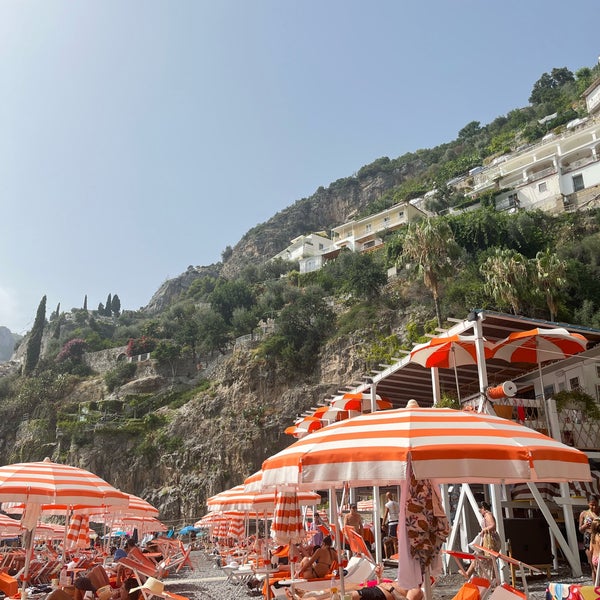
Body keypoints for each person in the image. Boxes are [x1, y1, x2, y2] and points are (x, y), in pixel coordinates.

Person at [285, 564, 423, 600]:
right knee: (338, 595)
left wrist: (389, 587)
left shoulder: (416, 589)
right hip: (376, 592)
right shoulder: (404, 581)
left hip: (378, 594)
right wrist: (380, 578)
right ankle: (307, 595)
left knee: (341, 597)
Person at [465, 501, 501, 579]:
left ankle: (494, 581)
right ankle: (468, 573)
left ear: (483, 508)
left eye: (480, 510)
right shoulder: (487, 515)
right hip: (487, 539)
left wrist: (484, 530)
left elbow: (493, 525)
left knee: (488, 559)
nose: (480, 512)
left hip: (491, 540)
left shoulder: (488, 514)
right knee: (479, 555)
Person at [580, 496, 599, 568]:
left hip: (598, 538)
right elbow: (580, 530)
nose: (594, 507)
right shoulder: (584, 514)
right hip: (588, 538)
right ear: (588, 504)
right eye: (592, 505)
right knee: (592, 564)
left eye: (596, 505)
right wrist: (584, 526)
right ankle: (595, 579)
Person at [590, 519, 600, 584]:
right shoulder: (599, 537)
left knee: (597, 576)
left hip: (594, 558)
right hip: (599, 557)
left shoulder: (592, 537)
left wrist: (591, 561)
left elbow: (591, 550)